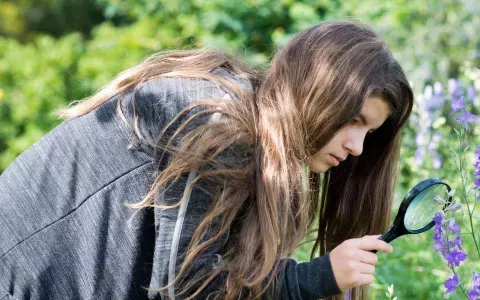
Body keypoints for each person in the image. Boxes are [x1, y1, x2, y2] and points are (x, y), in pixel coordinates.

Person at [0, 20, 413, 300]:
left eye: (369, 132)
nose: (358, 147)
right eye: (353, 121)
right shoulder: (220, 126)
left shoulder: (241, 118)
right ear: (320, 96)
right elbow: (183, 288)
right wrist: (313, 278)